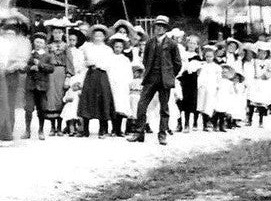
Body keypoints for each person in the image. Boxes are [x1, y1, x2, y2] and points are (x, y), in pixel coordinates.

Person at [129, 15, 183, 145]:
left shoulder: (172, 44)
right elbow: (146, 60)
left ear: (166, 28)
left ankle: (162, 134)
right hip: (150, 78)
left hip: (165, 79)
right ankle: (139, 132)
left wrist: (170, 74)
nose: (159, 28)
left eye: (162, 26)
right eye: (157, 26)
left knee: (164, 108)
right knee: (142, 104)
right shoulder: (150, 42)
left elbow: (178, 63)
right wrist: (149, 71)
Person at [79, 26, 116, 138]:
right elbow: (84, 61)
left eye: (100, 35)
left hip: (102, 75)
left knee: (102, 100)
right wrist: (90, 63)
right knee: (87, 99)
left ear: (104, 37)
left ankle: (102, 129)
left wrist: (98, 63)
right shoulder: (88, 48)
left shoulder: (108, 50)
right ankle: (85, 129)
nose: (98, 37)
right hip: (90, 75)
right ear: (92, 36)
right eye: (96, 35)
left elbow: (108, 64)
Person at [23, 32, 55, 140]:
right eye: (37, 42)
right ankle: (27, 130)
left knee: (42, 109)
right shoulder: (28, 54)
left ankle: (41, 130)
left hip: (42, 86)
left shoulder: (48, 56)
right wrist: (30, 68)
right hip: (30, 86)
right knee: (28, 109)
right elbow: (22, 68)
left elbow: (51, 68)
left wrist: (40, 65)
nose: (38, 44)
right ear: (33, 42)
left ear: (45, 44)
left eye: (41, 42)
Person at [195, 44, 220, 130]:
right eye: (207, 56)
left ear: (214, 57)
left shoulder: (216, 67)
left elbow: (218, 78)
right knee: (202, 104)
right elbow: (199, 76)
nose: (208, 58)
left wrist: (217, 86)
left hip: (212, 87)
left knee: (210, 104)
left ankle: (210, 122)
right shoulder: (202, 65)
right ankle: (204, 123)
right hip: (203, 87)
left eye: (210, 56)